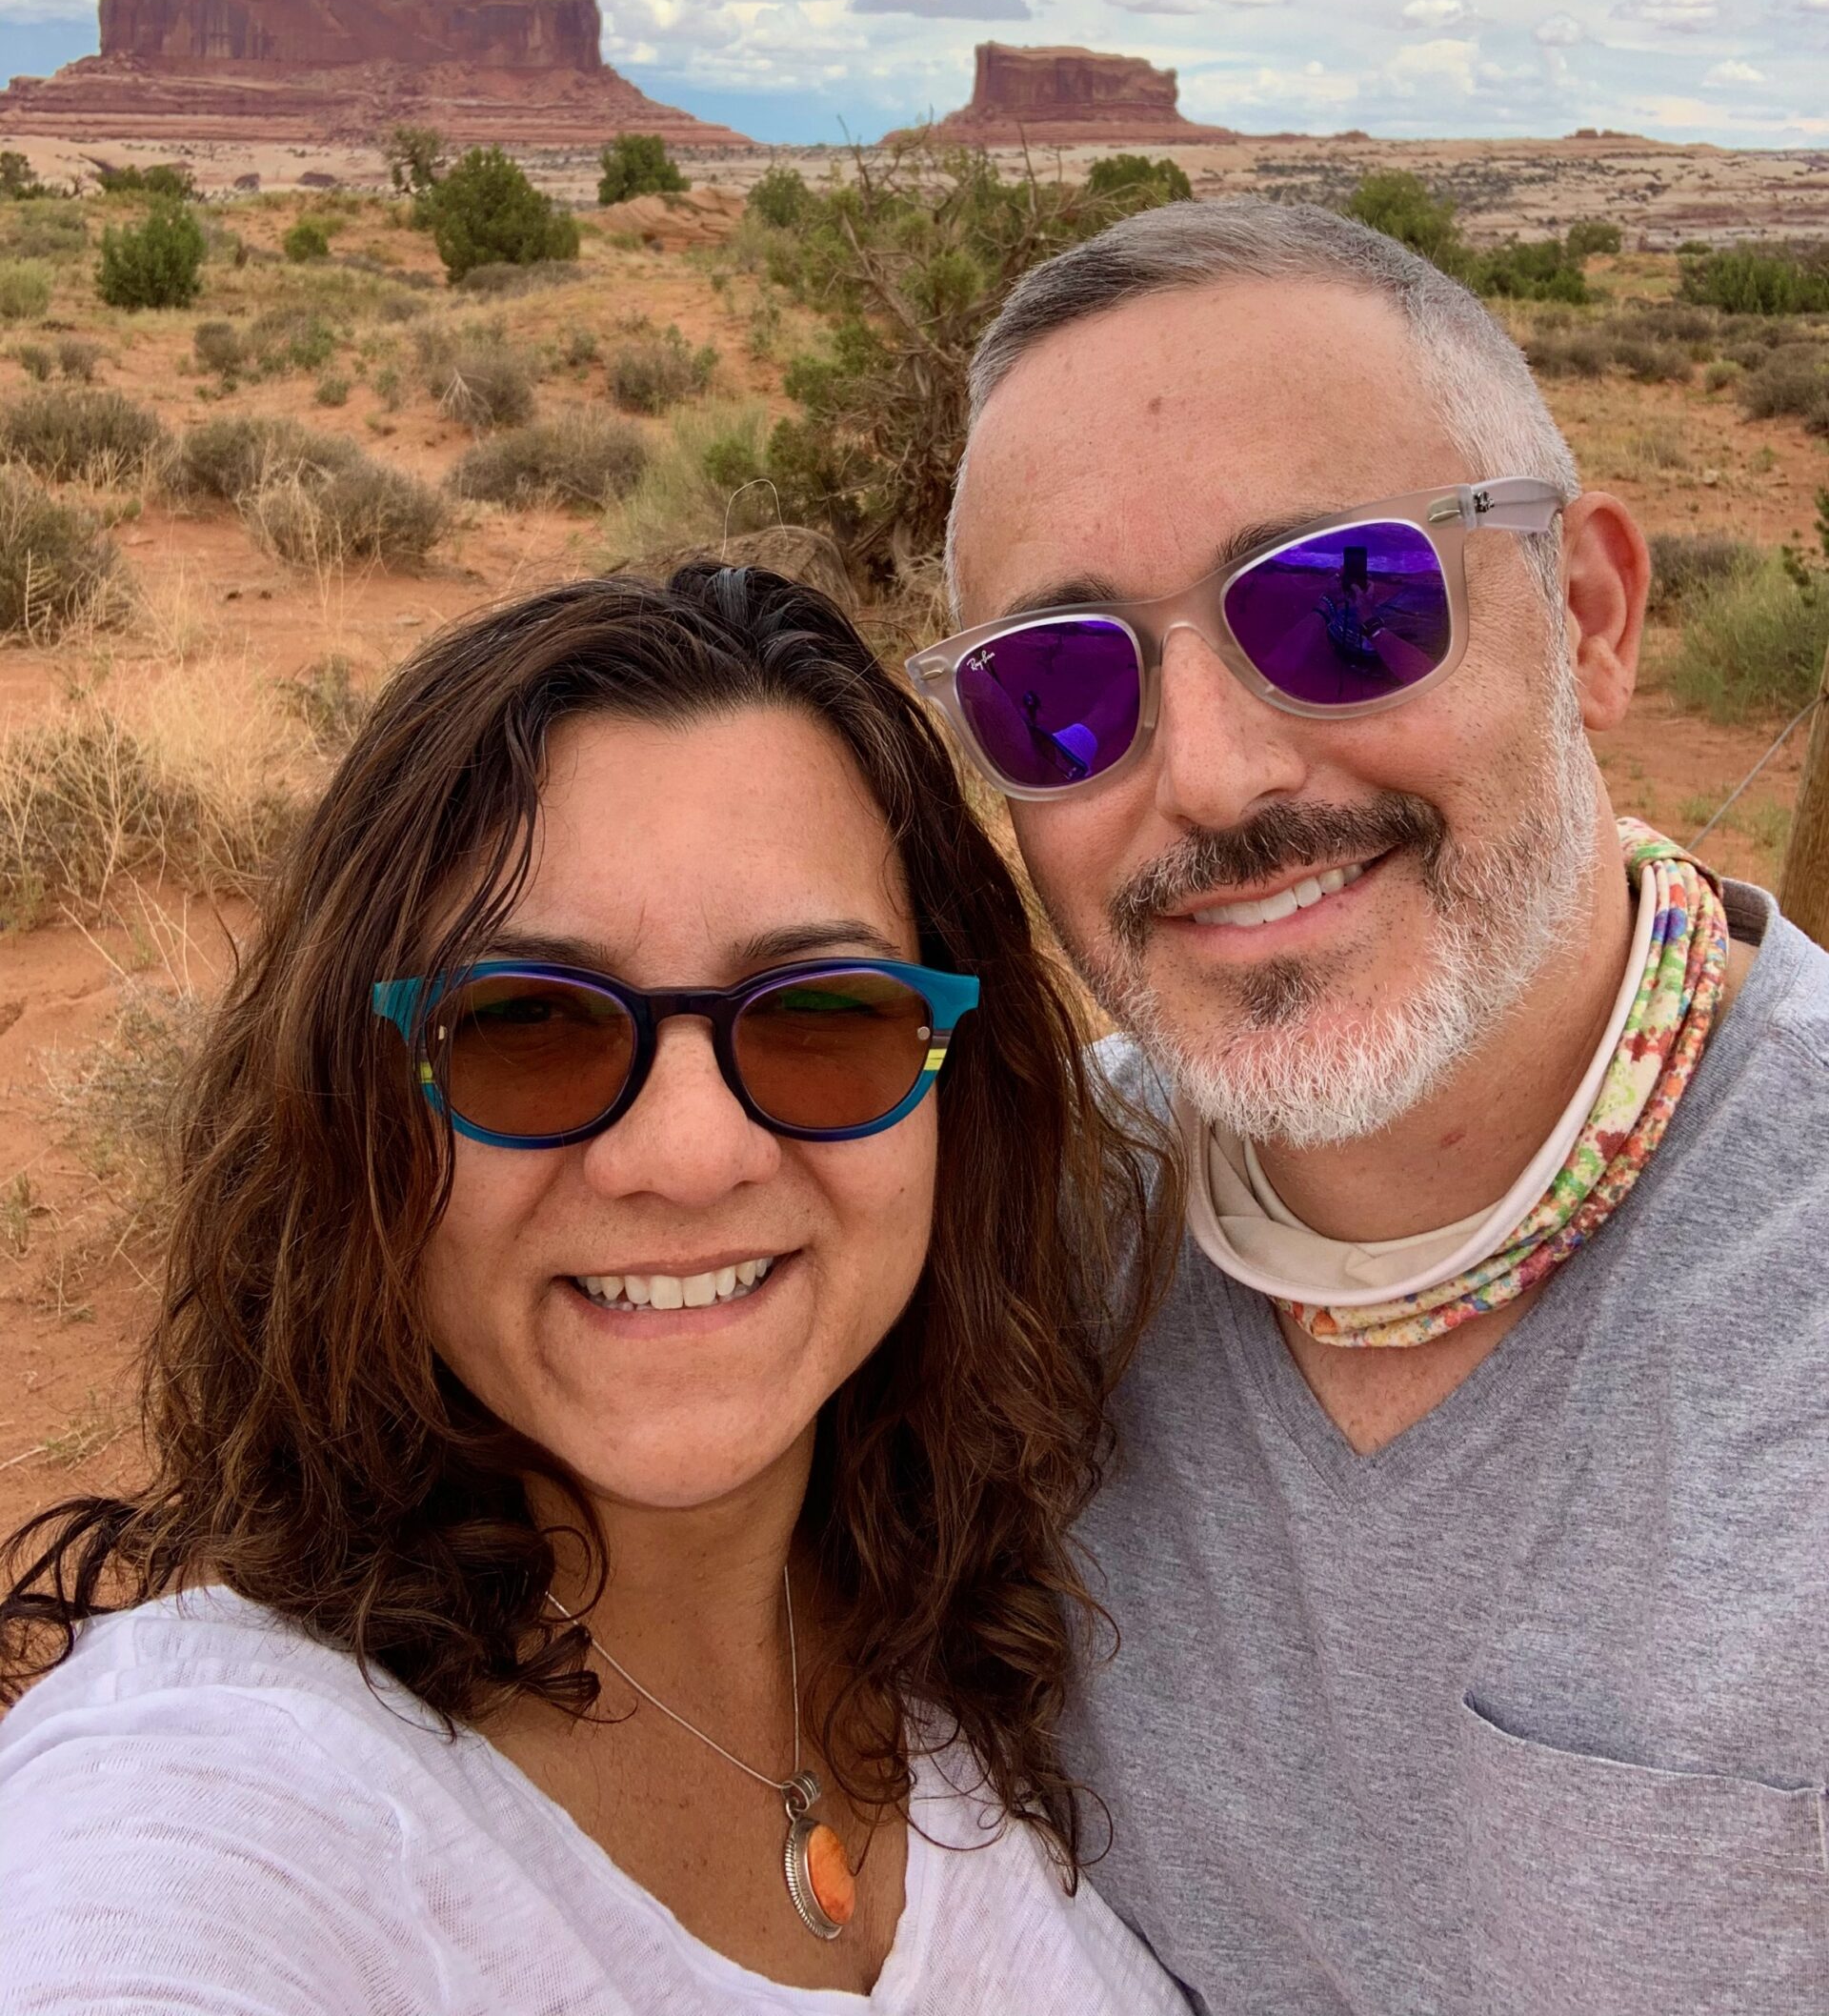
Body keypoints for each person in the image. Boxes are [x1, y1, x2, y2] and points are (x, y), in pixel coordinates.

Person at [0, 566, 1190, 2016]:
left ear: (957, 1092)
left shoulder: (979, 1611)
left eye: (825, 1017)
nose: (688, 1156)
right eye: (525, 1028)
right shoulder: (213, 1802)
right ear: (357, 1111)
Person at [928, 198, 1829, 2016]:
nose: (1217, 776)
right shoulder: (994, 1250)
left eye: (1344, 611)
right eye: (1064, 692)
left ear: (1587, 613)